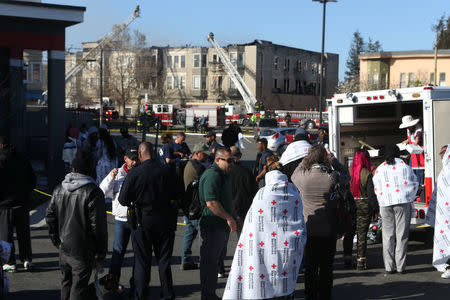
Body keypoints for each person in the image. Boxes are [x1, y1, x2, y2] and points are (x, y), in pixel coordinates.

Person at [223, 160, 307, 300]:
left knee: (264, 280)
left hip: (265, 246)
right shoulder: (294, 193)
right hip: (290, 246)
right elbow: (300, 219)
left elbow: (253, 223)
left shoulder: (262, 194)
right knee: (284, 282)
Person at [118, 142, 177, 300]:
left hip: (142, 220)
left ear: (139, 153)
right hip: (165, 220)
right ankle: (167, 294)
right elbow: (178, 194)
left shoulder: (135, 173)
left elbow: (123, 199)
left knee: (142, 261)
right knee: (164, 261)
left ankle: (140, 295)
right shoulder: (168, 170)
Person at [45, 151, 107, 300]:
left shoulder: (59, 188)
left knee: (66, 283)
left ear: (73, 169)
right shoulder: (93, 191)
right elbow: (98, 226)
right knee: (79, 287)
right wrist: (101, 251)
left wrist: (57, 241)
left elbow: (49, 216)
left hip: (64, 247)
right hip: (83, 250)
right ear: (91, 170)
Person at [291, 145, 349, 300]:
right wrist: (332, 159)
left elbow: (293, 174)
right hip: (328, 228)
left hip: (308, 228)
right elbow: (346, 174)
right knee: (326, 267)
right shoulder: (332, 176)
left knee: (310, 266)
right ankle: (325, 295)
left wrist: (306, 158)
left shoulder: (302, 177)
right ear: (325, 158)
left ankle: (310, 295)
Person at [373, 144, 418, 275]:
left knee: (388, 235)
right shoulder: (404, 165)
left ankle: (389, 267)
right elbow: (414, 183)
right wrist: (410, 195)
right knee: (401, 235)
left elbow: (376, 186)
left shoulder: (380, 169)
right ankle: (400, 267)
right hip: (402, 202)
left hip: (385, 203)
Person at [199, 147, 237, 300]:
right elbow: (211, 202)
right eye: (228, 161)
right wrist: (229, 218)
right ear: (217, 160)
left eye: (233, 160)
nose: (231, 163)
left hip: (220, 227)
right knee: (209, 263)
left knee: (213, 263)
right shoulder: (213, 175)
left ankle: (210, 294)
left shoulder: (223, 175)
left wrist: (234, 216)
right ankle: (208, 296)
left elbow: (226, 200)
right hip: (212, 227)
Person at [99, 148, 138, 284]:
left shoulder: (140, 172)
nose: (134, 162)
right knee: (118, 252)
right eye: (131, 158)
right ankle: (112, 282)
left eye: (136, 159)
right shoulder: (117, 173)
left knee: (138, 253)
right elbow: (102, 191)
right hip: (121, 219)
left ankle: (136, 284)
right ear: (125, 158)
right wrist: (111, 177)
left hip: (136, 219)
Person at [0, 138, 36, 273]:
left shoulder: (1, 160)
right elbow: (33, 179)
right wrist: (26, 193)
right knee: (24, 234)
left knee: (6, 235)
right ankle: (27, 259)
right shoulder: (22, 158)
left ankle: (10, 262)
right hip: (22, 203)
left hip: (5, 205)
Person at [180, 143, 211, 271]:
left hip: (188, 205)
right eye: (204, 153)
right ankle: (206, 261)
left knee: (189, 233)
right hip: (197, 206)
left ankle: (185, 259)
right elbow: (204, 186)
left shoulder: (187, 164)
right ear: (197, 153)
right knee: (204, 235)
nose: (207, 156)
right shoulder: (198, 167)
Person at [348, 149, 379, 270]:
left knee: (349, 233)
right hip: (365, 206)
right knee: (362, 235)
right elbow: (371, 195)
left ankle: (347, 258)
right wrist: (376, 209)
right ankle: (361, 261)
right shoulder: (367, 173)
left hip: (350, 205)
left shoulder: (349, 171)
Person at [427, 145, 450, 278]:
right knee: (445, 238)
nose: (441, 156)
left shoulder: (447, 170)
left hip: (447, 213)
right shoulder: (445, 169)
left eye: (443, 153)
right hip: (443, 213)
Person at [229, 146, 258, 236]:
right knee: (242, 237)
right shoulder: (247, 173)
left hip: (226, 208)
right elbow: (254, 192)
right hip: (243, 209)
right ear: (240, 156)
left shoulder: (224, 172)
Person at [400, 115, 425, 185]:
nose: (407, 127)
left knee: (419, 170)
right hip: (413, 153)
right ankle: (413, 185)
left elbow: (417, 140)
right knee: (411, 169)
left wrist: (413, 143)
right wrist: (406, 141)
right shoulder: (409, 129)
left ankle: (420, 186)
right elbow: (410, 138)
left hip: (419, 153)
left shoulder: (418, 128)